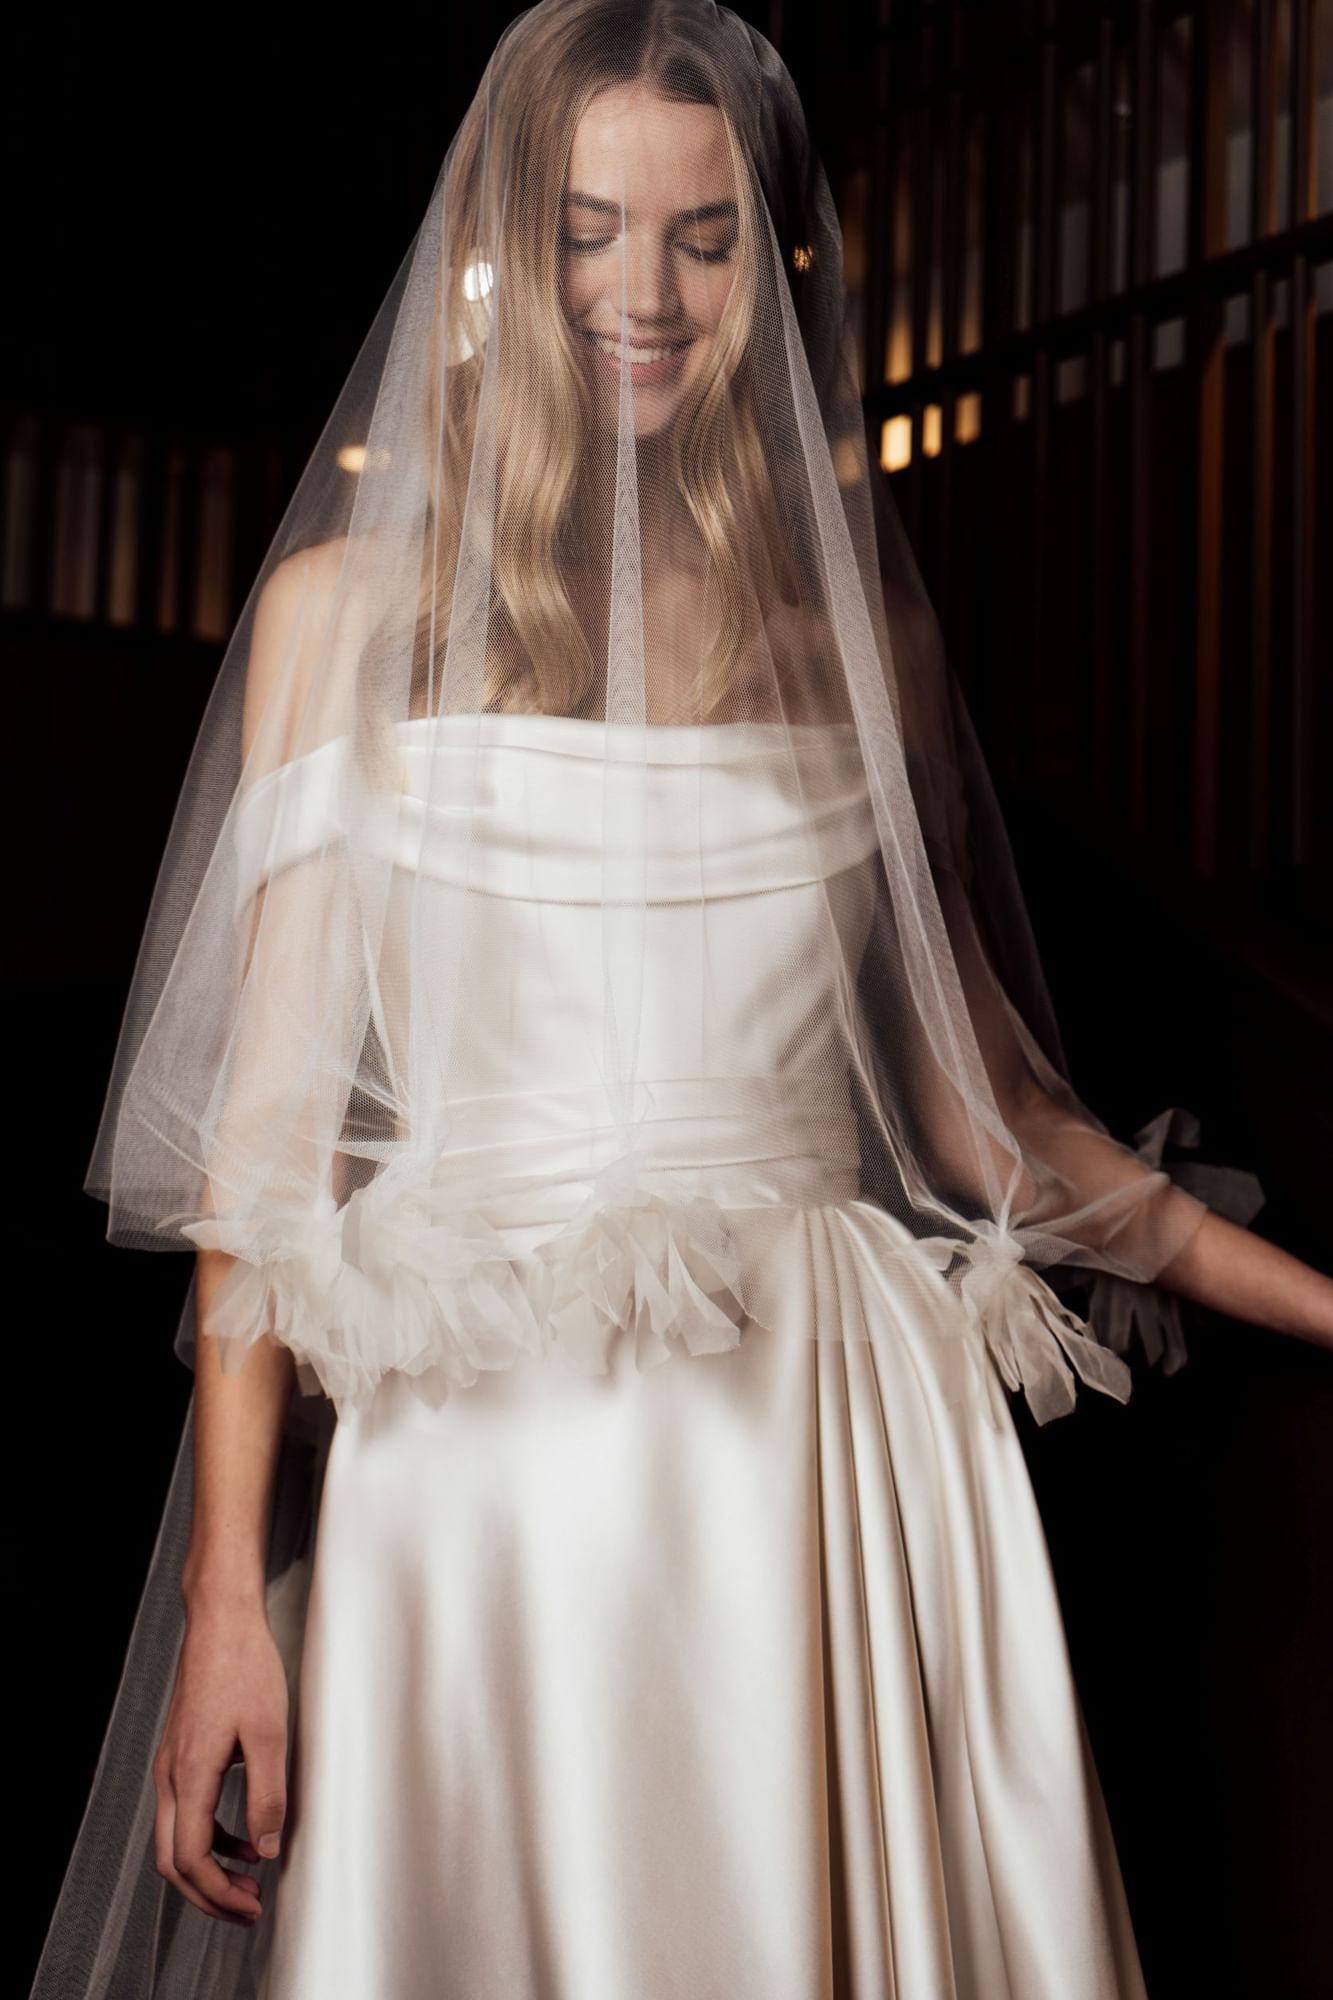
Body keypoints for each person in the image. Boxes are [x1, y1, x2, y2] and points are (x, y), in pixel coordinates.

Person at [31, 3, 1331, 1996]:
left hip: (823, 1455)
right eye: (587, 230)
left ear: (771, 265)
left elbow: (992, 1124)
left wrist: (1319, 1302)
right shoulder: (341, 620)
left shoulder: (853, 635)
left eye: (704, 238)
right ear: (505, 248)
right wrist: (228, 1598)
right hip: (481, 1479)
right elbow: (267, 1164)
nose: (641, 292)